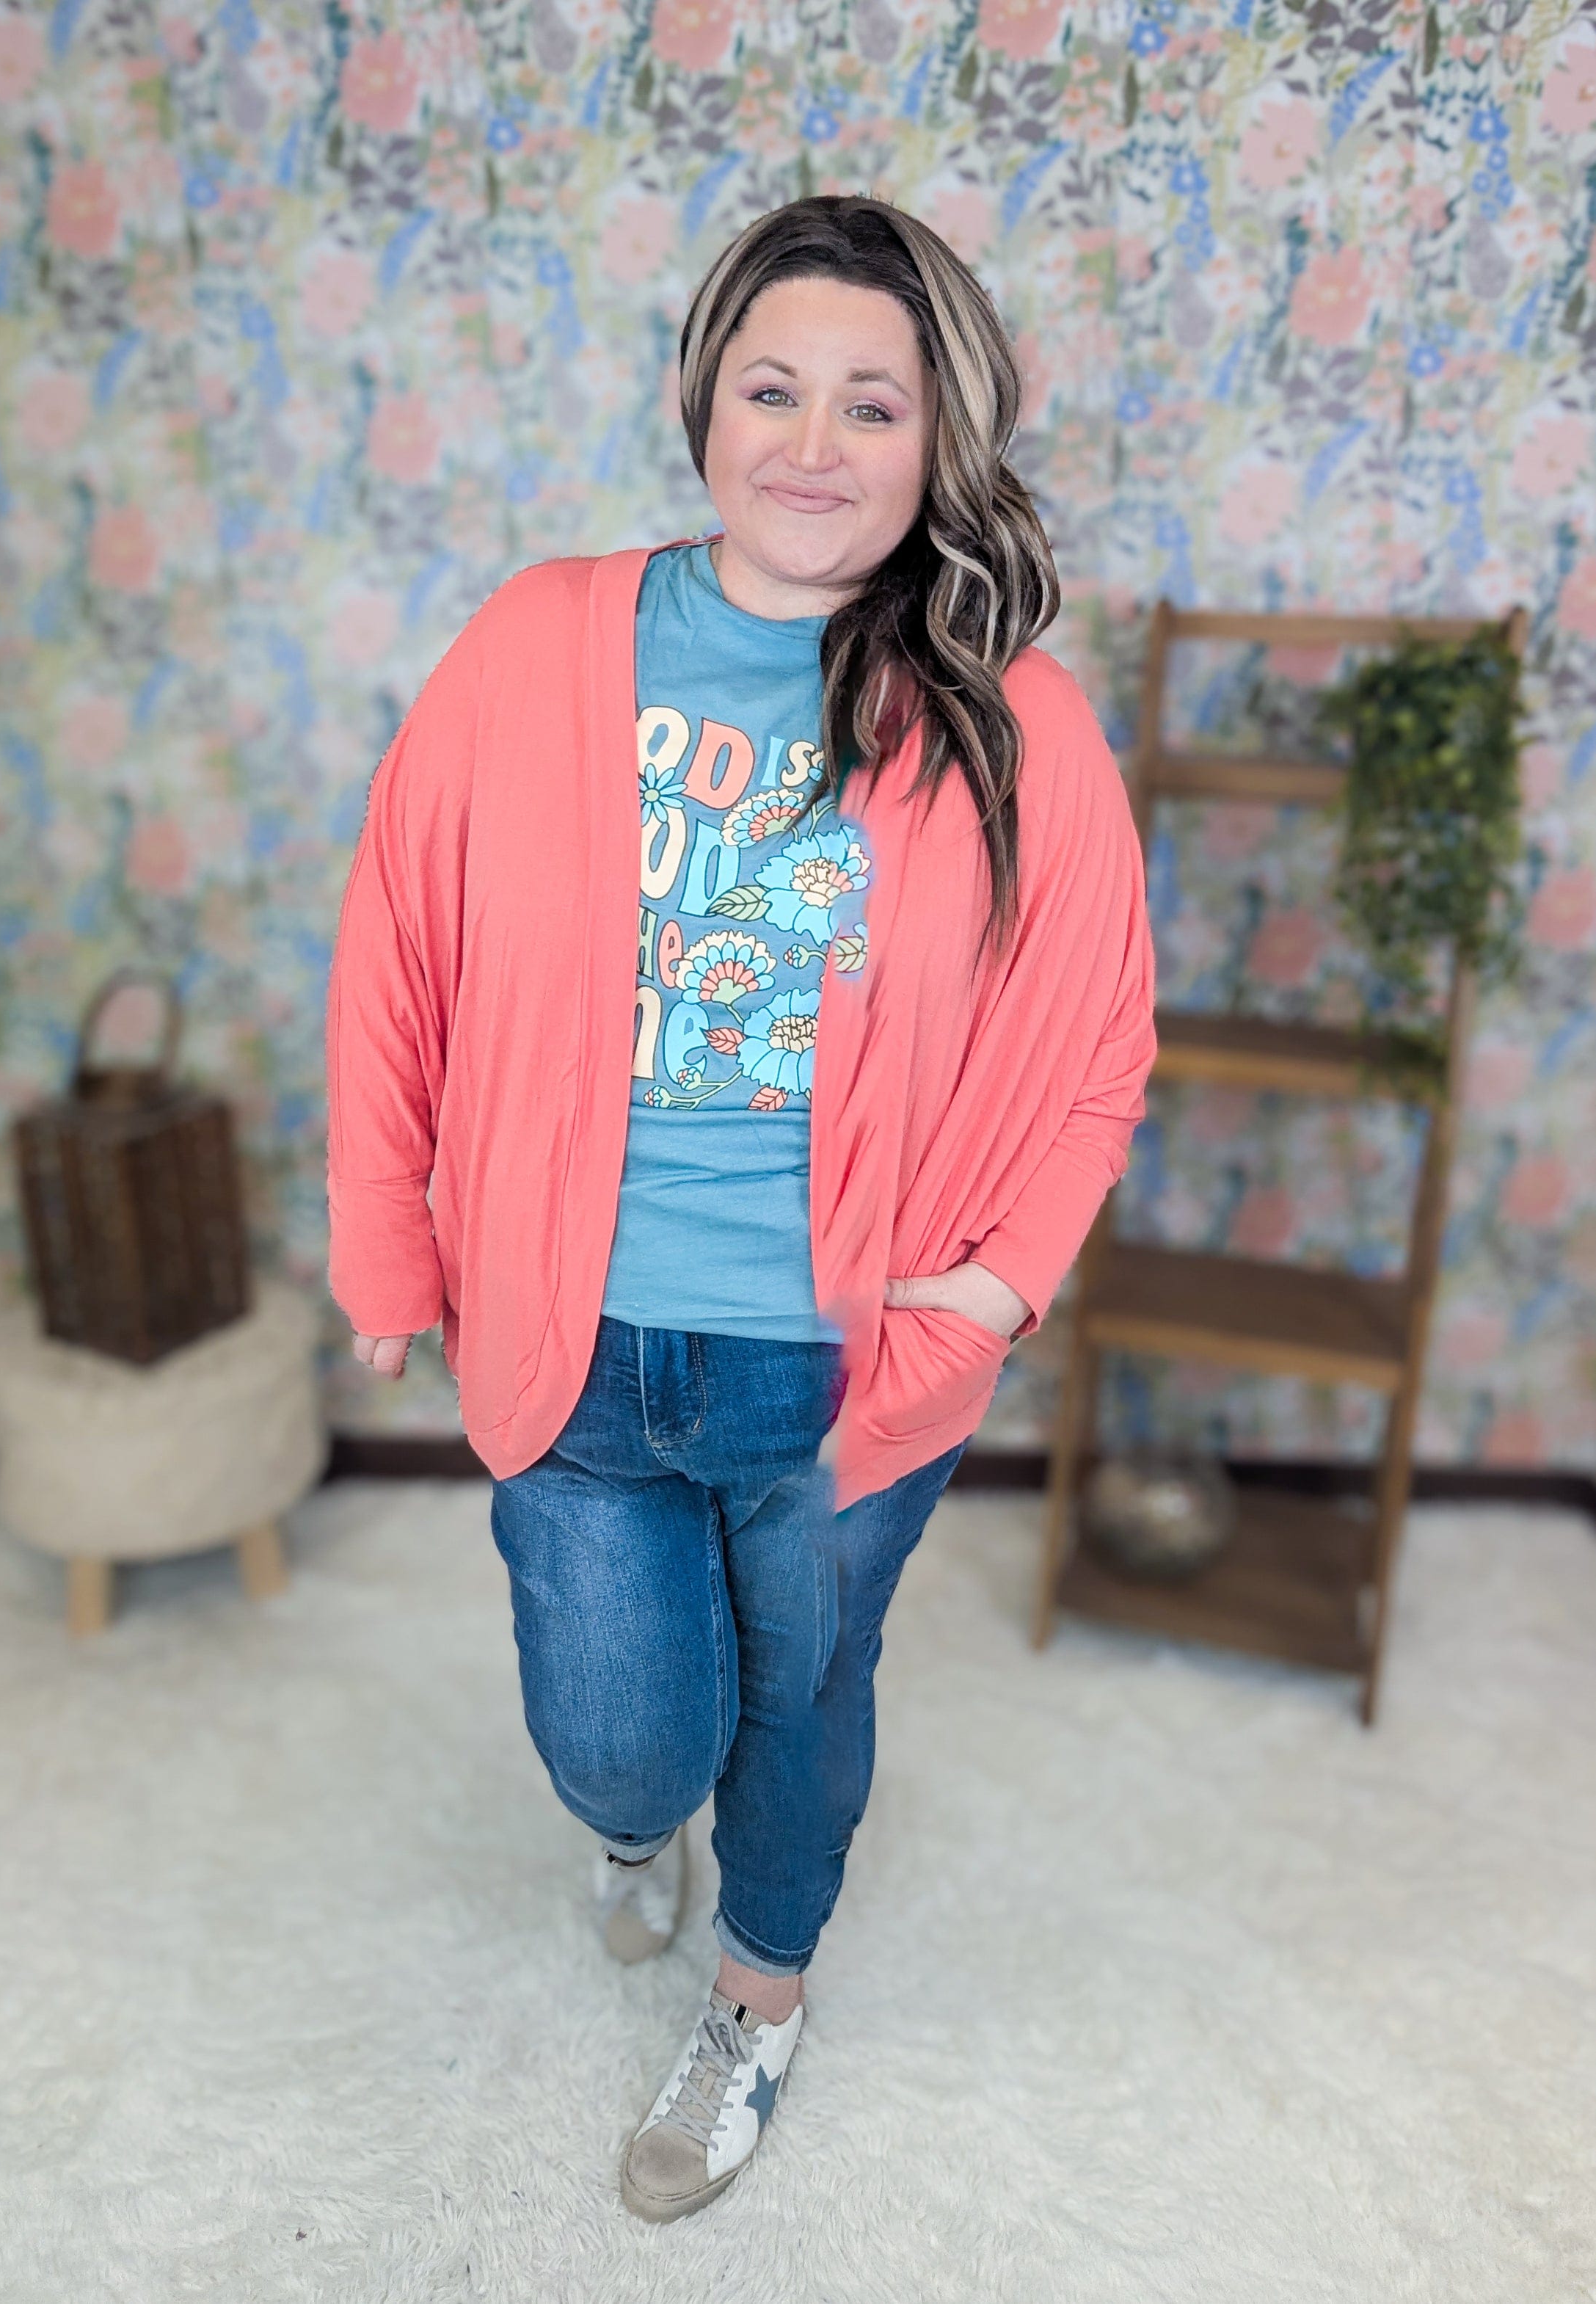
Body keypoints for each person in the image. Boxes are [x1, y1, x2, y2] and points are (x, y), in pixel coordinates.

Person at [325, 195, 1154, 2222]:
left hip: (851, 1362)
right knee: (618, 1736)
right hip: (575, 1324)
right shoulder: (542, 640)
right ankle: (637, 1829)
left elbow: (1098, 1046)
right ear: (704, 402)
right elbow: (395, 944)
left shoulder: (1012, 717)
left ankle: (757, 2002)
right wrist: (385, 1239)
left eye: (872, 403)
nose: (813, 442)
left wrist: (996, 1290)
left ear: (935, 439)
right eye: (773, 389)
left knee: (804, 1695)